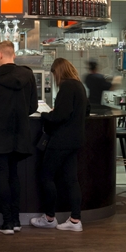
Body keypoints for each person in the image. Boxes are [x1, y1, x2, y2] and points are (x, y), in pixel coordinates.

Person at [0, 41, 37, 234]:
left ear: (0, 55)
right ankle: (17, 220)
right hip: (20, 133)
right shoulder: (28, 75)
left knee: (1, 175)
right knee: (14, 175)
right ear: (14, 55)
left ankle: (7, 223)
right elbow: (33, 106)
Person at [30, 58, 89, 232]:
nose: (54, 77)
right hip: (75, 140)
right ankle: (75, 220)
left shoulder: (67, 86)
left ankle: (49, 218)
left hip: (61, 141)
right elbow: (86, 110)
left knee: (46, 176)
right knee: (71, 180)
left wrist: (45, 115)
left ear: (59, 72)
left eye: (54, 73)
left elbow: (60, 116)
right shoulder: (79, 86)